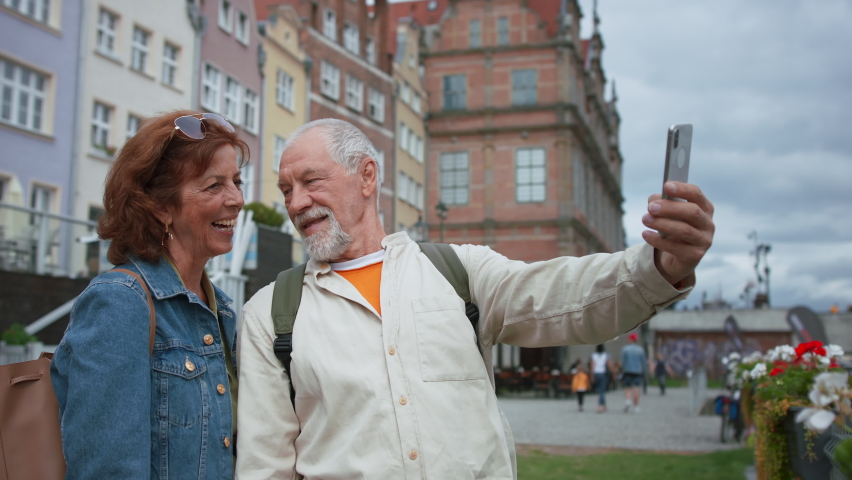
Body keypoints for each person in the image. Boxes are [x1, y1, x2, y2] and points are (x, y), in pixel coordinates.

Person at [236, 118, 715, 479]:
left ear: (366, 177)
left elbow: (564, 298)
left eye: (311, 181)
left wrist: (661, 266)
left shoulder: (457, 271)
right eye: (285, 189)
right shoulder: (272, 313)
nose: (296, 202)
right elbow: (265, 465)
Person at [51, 110, 247, 478]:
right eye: (214, 185)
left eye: (237, 181)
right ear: (160, 207)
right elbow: (108, 470)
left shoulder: (222, 309)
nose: (236, 199)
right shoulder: (121, 302)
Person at [621, 332, 649, 413]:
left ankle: (628, 400)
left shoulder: (625, 349)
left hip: (627, 370)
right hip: (638, 371)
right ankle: (636, 406)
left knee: (628, 387)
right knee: (636, 388)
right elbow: (644, 362)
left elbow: (623, 361)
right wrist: (645, 372)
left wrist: (622, 370)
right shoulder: (640, 350)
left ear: (630, 339)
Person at [591, 344, 617, 413]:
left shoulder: (594, 355)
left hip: (596, 373)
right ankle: (600, 406)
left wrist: (592, 376)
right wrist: (614, 373)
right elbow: (610, 365)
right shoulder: (606, 355)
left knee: (600, 390)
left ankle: (604, 405)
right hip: (603, 374)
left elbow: (592, 366)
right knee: (602, 390)